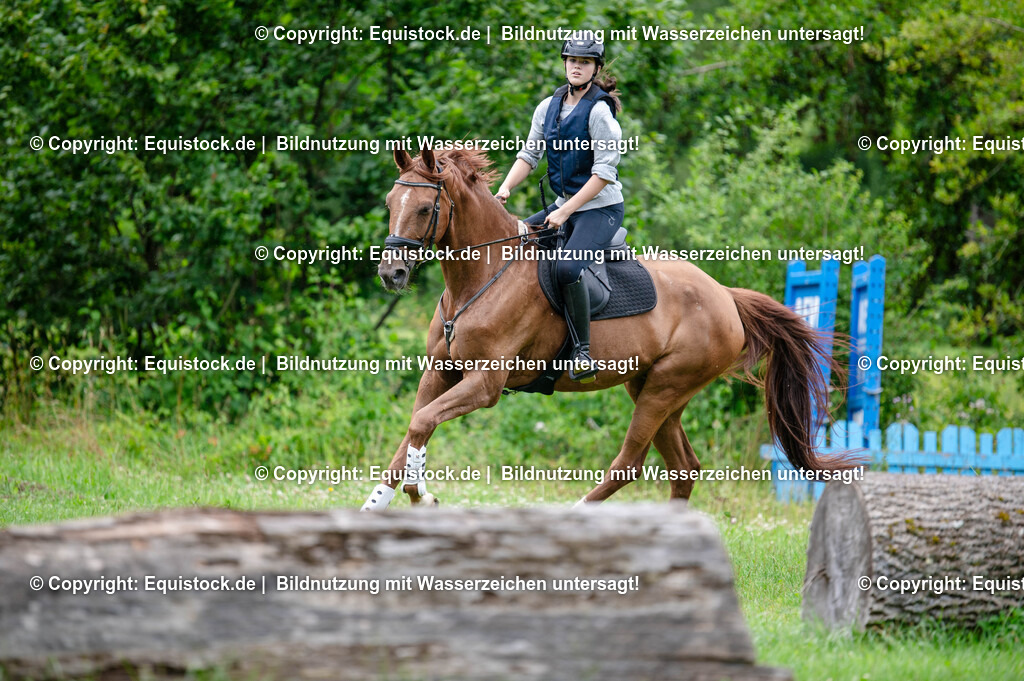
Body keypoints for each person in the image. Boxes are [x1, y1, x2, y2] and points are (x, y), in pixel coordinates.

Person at [495, 33, 624, 383]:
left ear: (595, 68)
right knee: (514, 242)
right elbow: (529, 155)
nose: (577, 66)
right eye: (572, 61)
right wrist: (504, 189)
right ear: (565, 63)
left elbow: (603, 175)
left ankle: (581, 351)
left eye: (584, 62)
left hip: (600, 209)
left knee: (567, 268)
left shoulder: (599, 112)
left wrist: (566, 212)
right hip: (563, 204)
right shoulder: (547, 107)